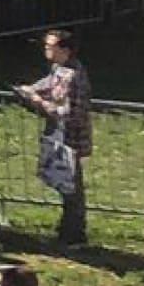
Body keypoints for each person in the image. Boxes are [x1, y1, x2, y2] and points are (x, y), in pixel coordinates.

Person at [15, 29, 93, 247]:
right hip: (57, 135)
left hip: (72, 138)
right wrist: (29, 90)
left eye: (51, 46)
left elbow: (72, 114)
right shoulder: (58, 69)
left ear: (65, 50)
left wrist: (40, 103)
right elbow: (47, 84)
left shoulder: (75, 76)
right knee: (63, 182)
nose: (46, 49)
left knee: (72, 186)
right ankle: (66, 227)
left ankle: (75, 233)